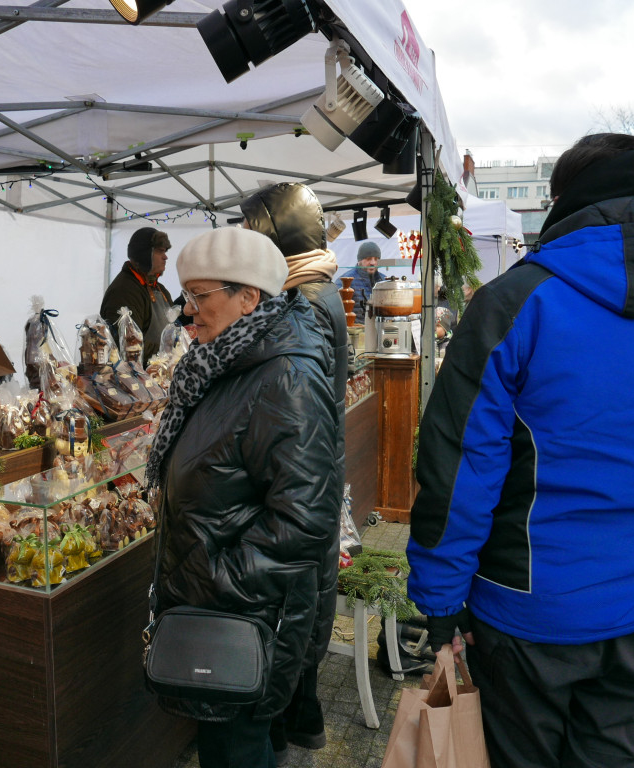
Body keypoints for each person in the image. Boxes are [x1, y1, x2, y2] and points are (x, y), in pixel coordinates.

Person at [406, 133, 634, 768]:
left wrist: (439, 601)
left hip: (532, 612)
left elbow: (459, 466)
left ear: (561, 200)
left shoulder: (515, 301)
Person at [145, 226, 340, 768]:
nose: (187, 312)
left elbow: (305, 518)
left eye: (200, 296)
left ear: (248, 297)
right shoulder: (226, 365)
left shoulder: (284, 377)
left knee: (236, 749)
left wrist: (217, 576)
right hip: (225, 606)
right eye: (187, 296)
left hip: (245, 615)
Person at [240, 182, 346, 761]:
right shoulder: (317, 288)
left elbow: (291, 405)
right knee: (306, 600)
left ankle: (286, 728)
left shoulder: (303, 299)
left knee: (294, 609)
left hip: (297, 478)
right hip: (312, 474)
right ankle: (302, 719)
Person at [100, 227, 172, 363]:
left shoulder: (159, 289)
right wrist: (172, 351)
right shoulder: (124, 291)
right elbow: (130, 346)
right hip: (136, 379)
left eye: (165, 251)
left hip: (161, 373)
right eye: (160, 251)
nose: (165, 256)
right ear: (144, 254)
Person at [336, 240, 382, 323]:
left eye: (376, 259)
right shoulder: (345, 281)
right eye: (368, 259)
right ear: (359, 260)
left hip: (379, 331)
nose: (373, 263)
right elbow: (336, 312)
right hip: (355, 332)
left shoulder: (384, 280)